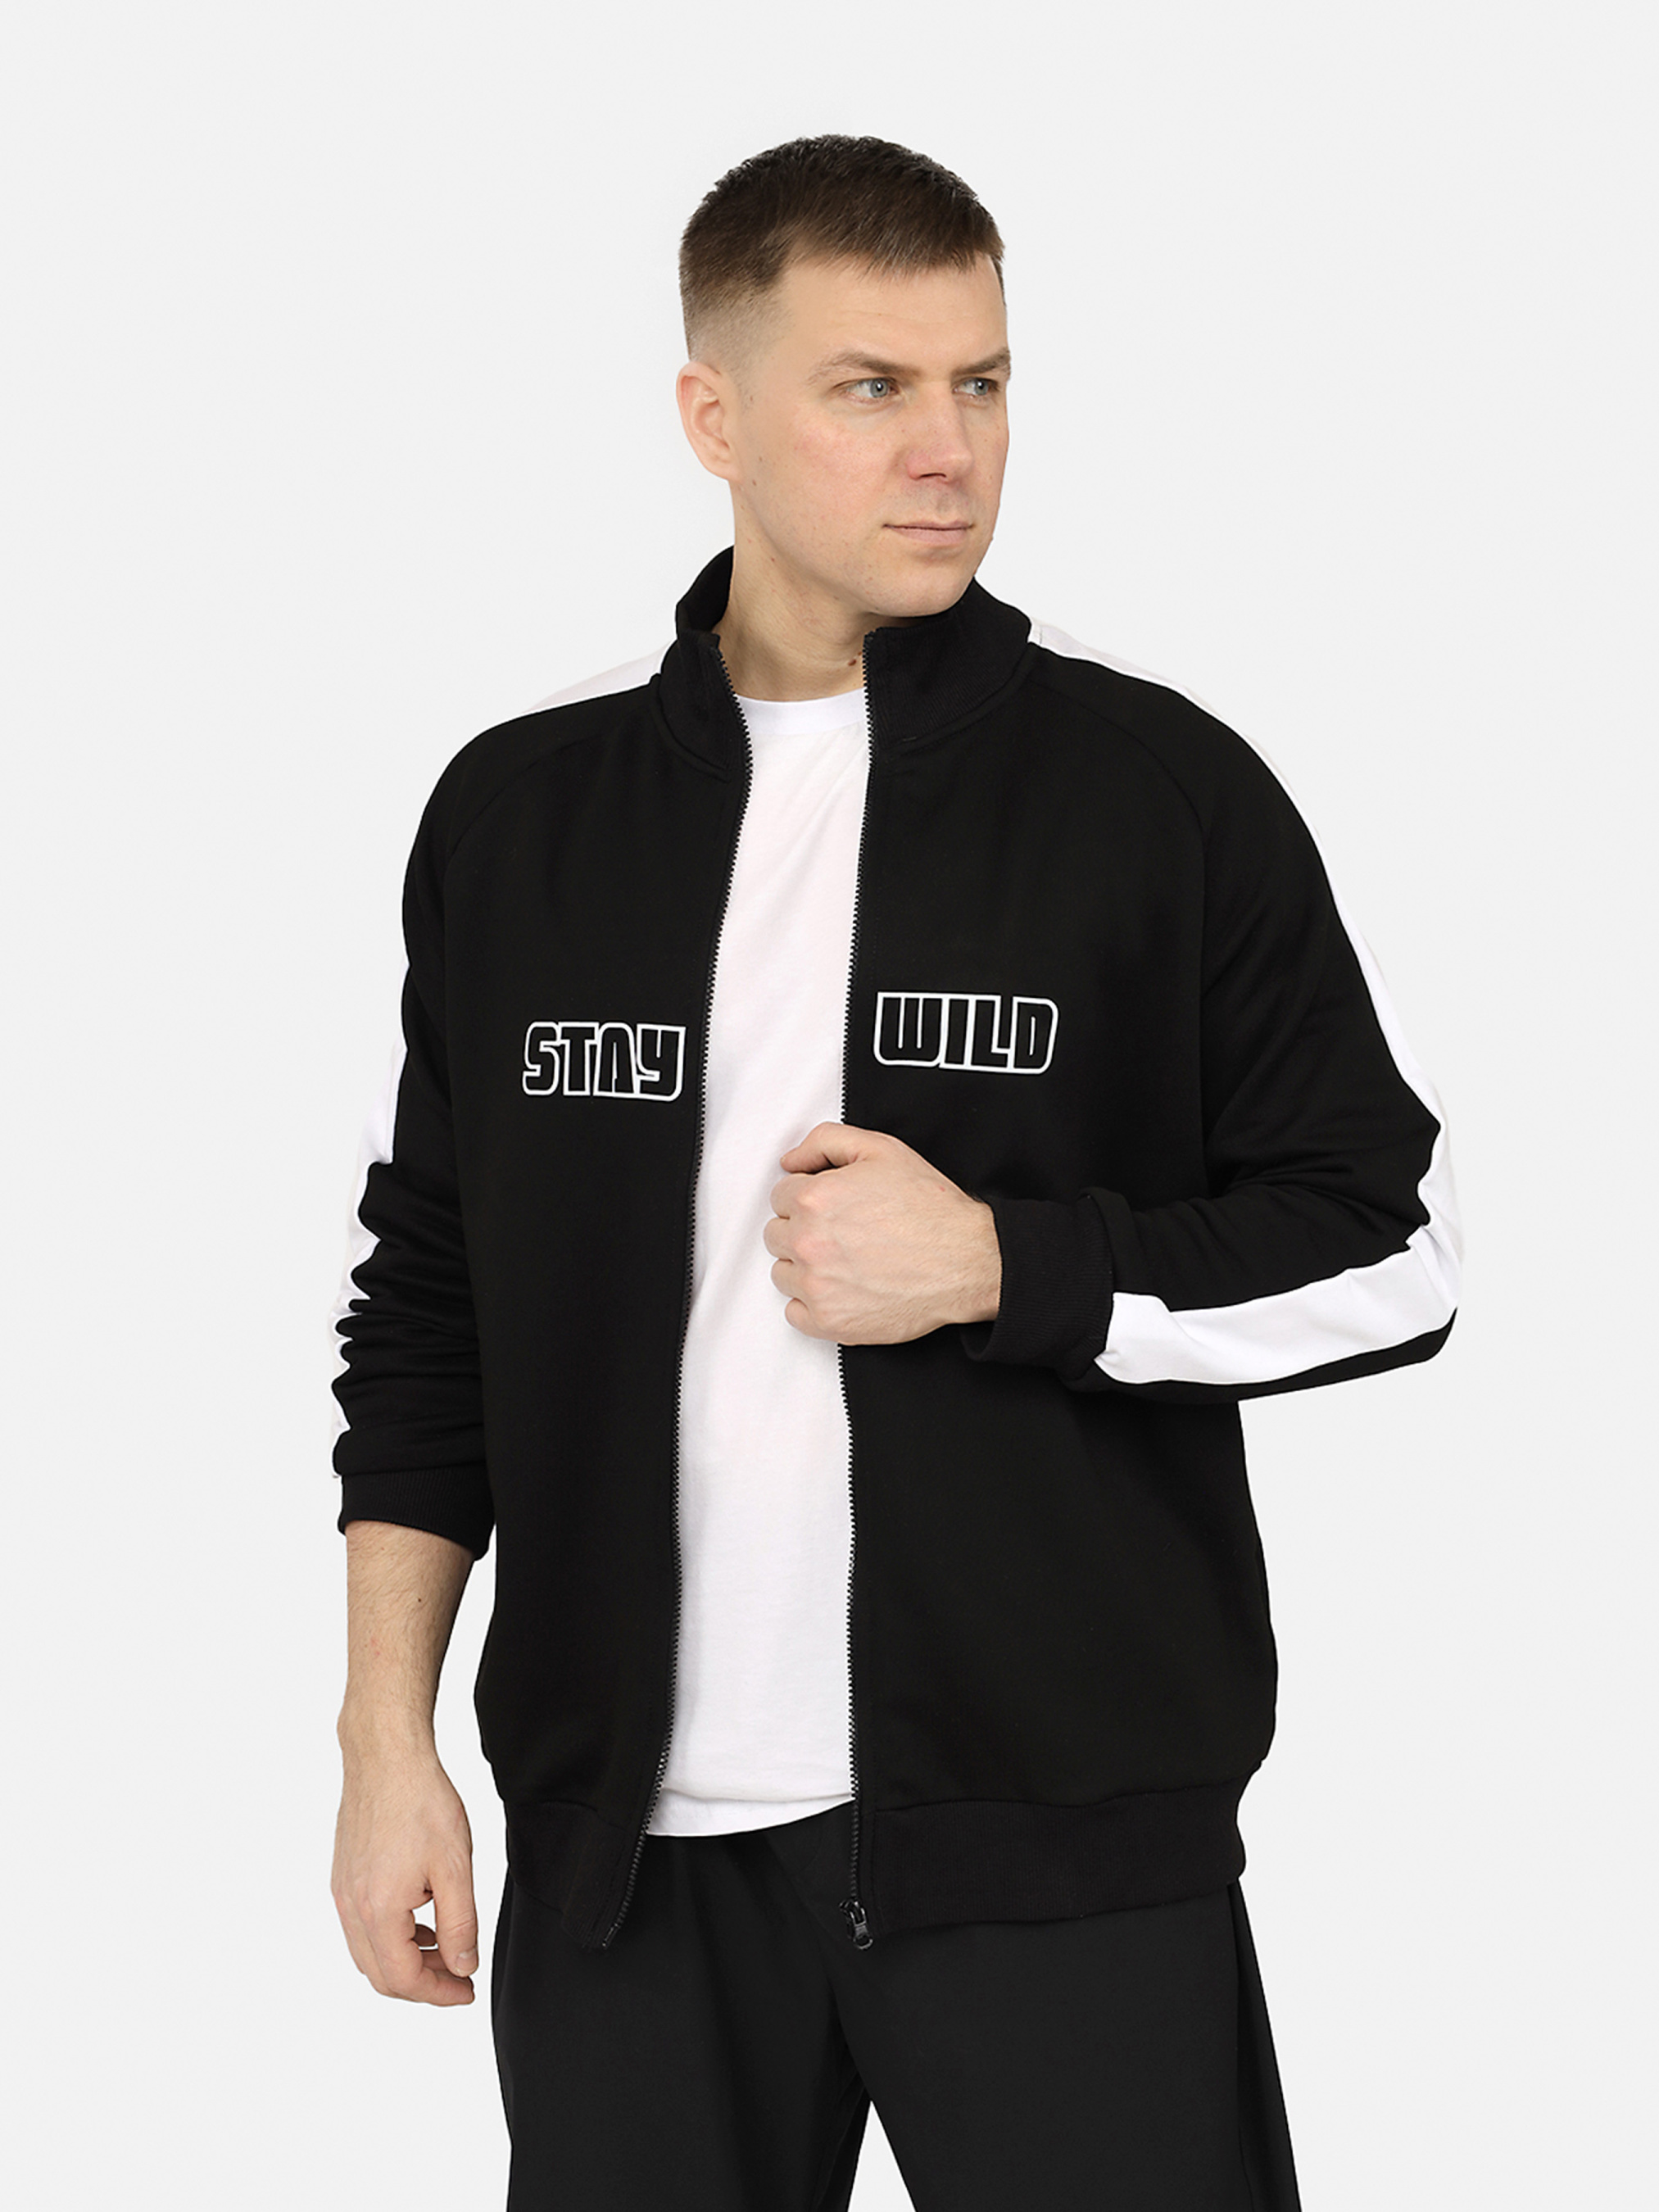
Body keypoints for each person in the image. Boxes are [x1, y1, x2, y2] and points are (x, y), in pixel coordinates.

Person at [328, 134, 1460, 2210]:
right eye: (870, 387)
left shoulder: (1153, 793)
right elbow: (431, 1307)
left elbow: (1389, 1246)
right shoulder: (521, 820)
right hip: (622, 1871)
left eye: (983, 382)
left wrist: (1007, 1269)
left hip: (1056, 1857)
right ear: (713, 416)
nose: (948, 449)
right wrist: (384, 1744)